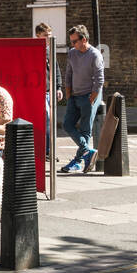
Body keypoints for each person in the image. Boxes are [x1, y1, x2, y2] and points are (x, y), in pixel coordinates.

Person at [61, 24, 104, 174]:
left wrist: (92, 98)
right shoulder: (72, 53)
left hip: (88, 96)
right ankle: (88, 152)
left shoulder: (95, 55)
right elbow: (69, 73)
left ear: (83, 39)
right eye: (71, 42)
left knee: (85, 130)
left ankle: (77, 162)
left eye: (74, 41)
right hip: (74, 95)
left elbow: (99, 79)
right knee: (67, 124)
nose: (72, 45)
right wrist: (68, 92)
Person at [35, 23, 64, 143]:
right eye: (46, 35)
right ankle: (46, 150)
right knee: (45, 119)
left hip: (49, 92)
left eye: (50, 35)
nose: (49, 38)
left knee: (50, 121)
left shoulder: (50, 50)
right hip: (39, 92)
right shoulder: (34, 50)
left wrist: (58, 87)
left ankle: (48, 149)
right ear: (38, 36)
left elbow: (55, 69)